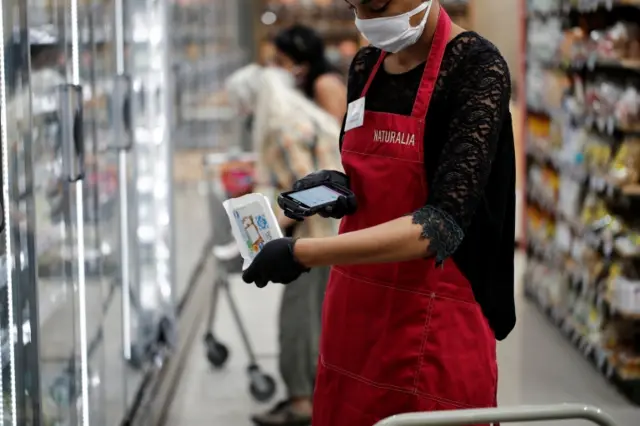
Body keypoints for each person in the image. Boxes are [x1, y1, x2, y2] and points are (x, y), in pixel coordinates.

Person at [242, 1, 517, 425]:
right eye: (355, 5)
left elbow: (440, 227)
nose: (367, 20)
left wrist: (302, 254)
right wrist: (338, 183)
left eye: (377, 4)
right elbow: (376, 169)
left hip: (435, 318)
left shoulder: (477, 68)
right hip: (355, 312)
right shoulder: (365, 65)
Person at [225, 65, 343, 426]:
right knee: (317, 320)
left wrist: (264, 232)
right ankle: (315, 398)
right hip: (333, 236)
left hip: (314, 240)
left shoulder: (281, 129)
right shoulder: (301, 115)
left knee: (297, 321)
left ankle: (300, 404)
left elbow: (314, 193)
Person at [273, 24, 347, 123]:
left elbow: (336, 132)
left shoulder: (326, 84)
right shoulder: (311, 83)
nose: (276, 67)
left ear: (303, 65)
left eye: (281, 62)